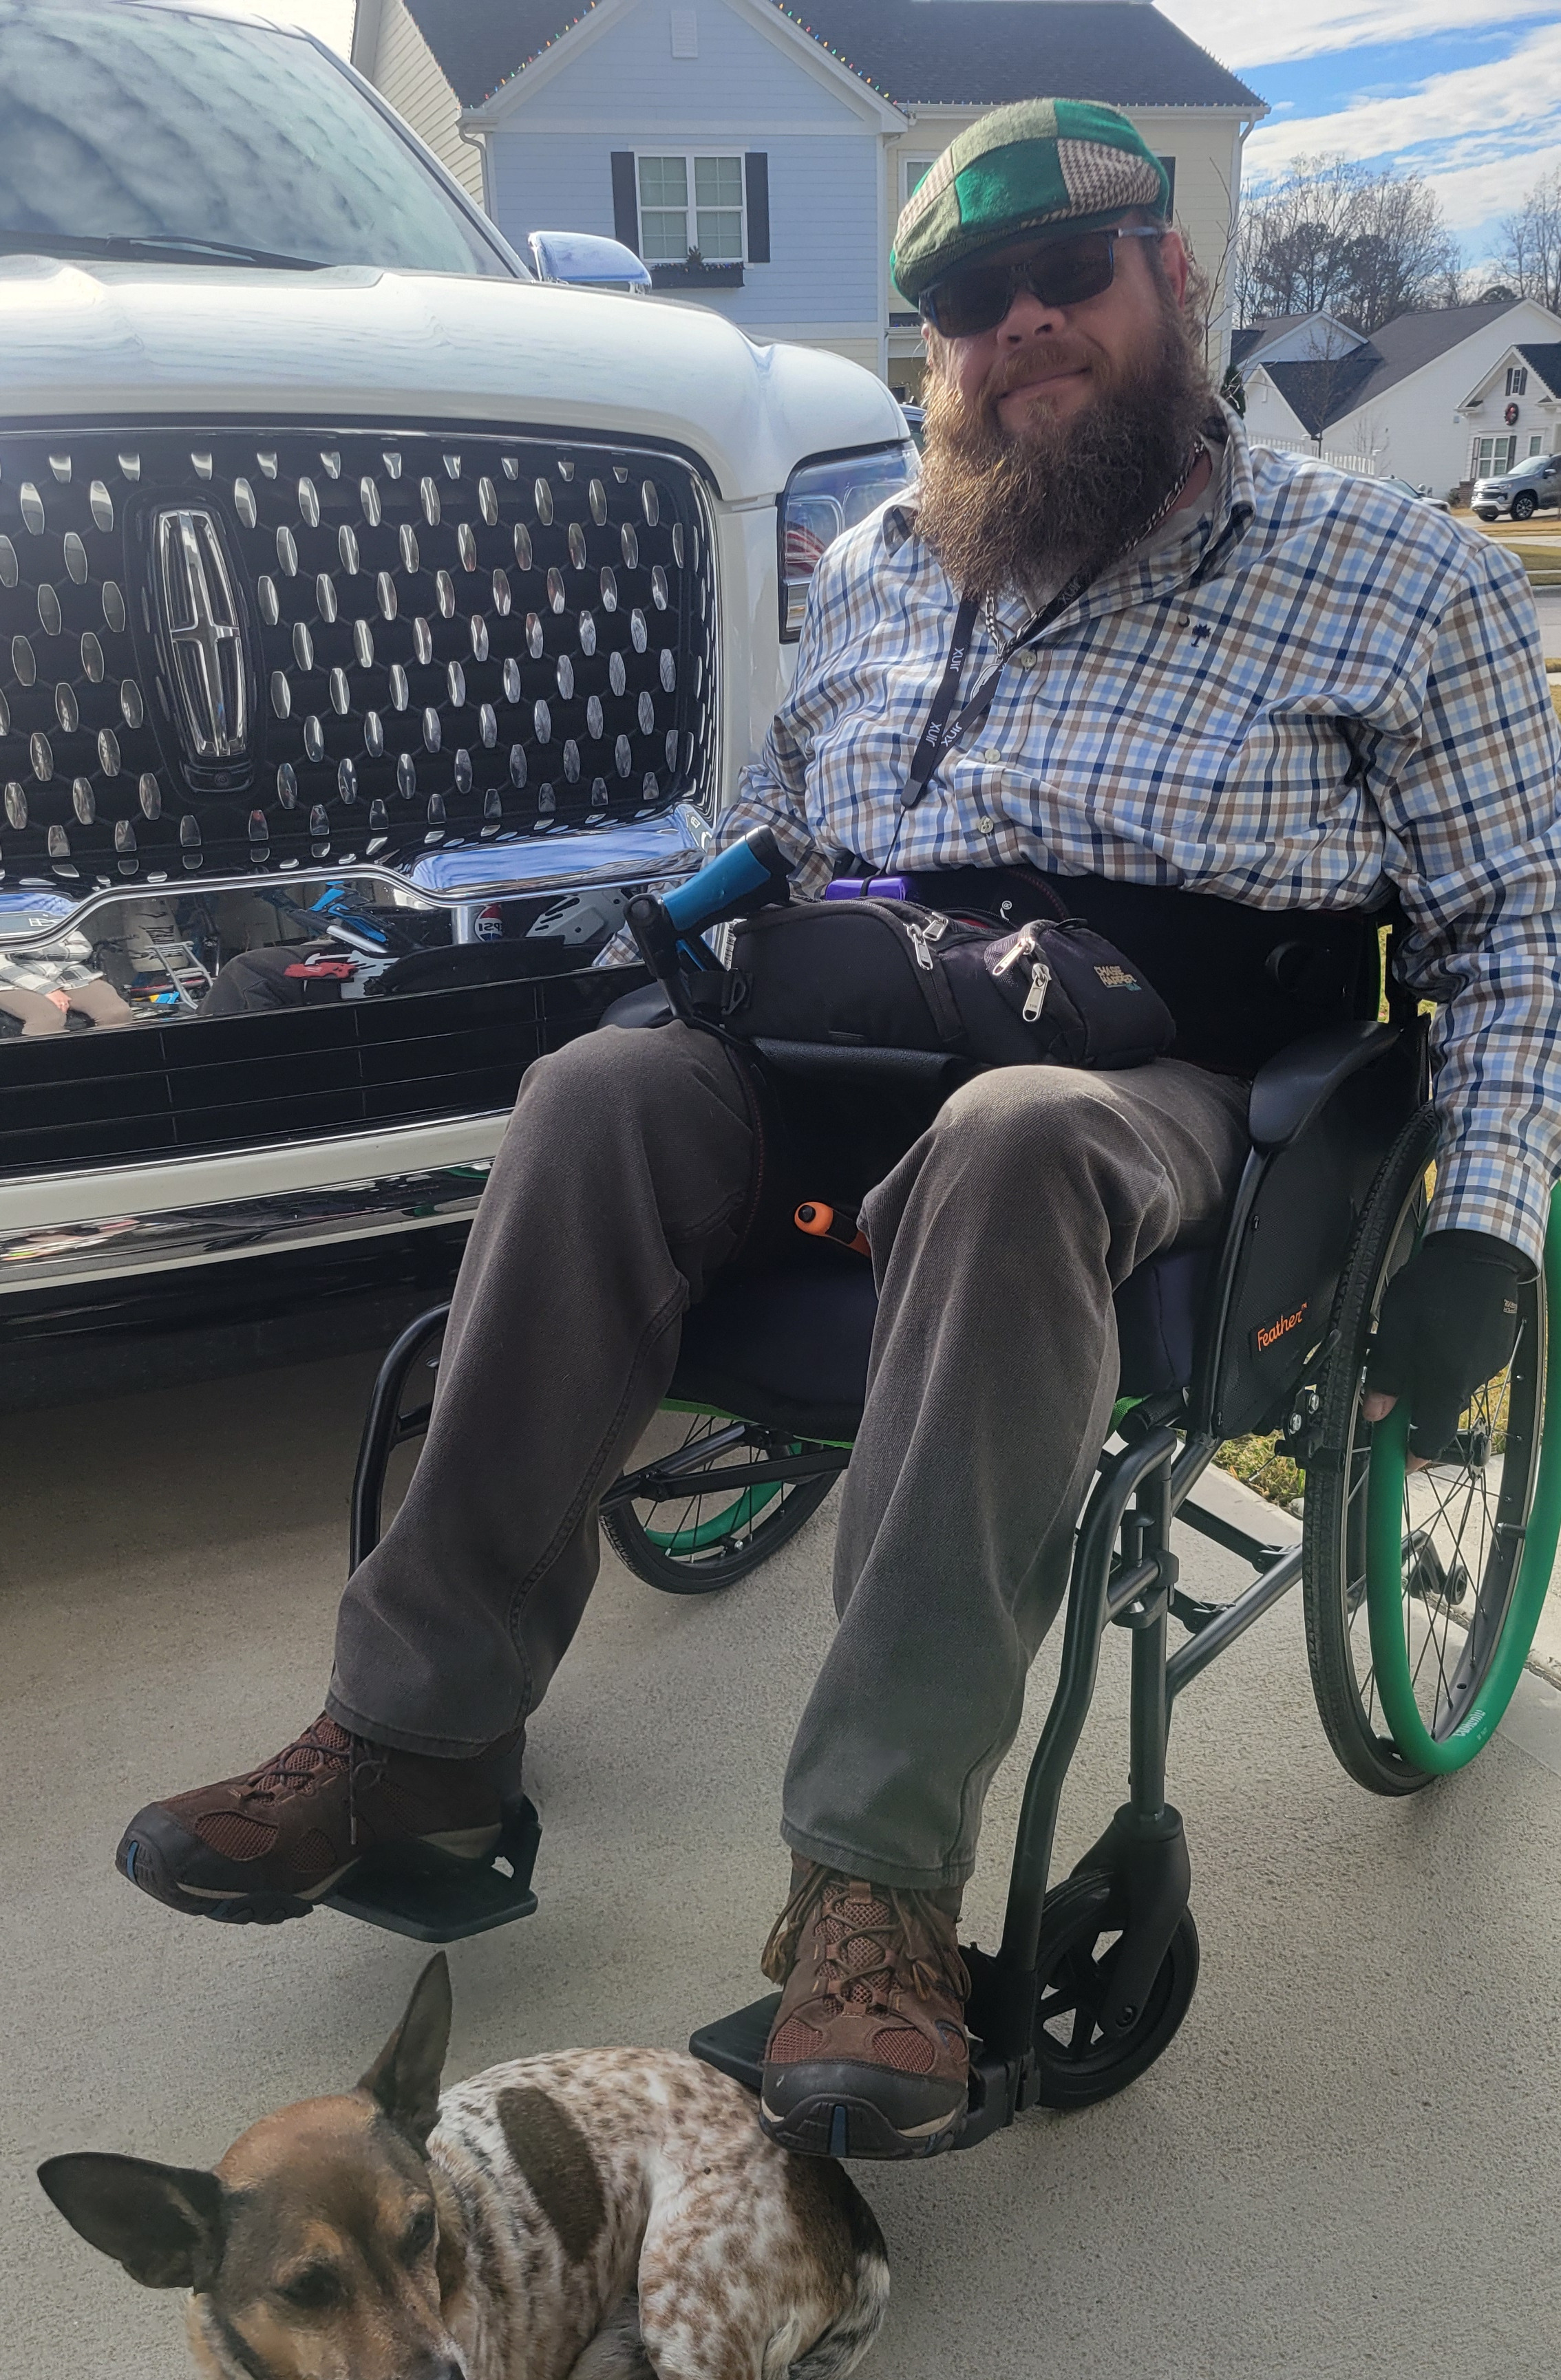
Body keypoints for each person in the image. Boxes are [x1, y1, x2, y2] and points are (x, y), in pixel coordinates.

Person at [116, 99, 1561, 2161]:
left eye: (1065, 275)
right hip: (855, 1024)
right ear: (934, 349)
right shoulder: (887, 560)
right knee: (598, 1090)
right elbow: (800, 822)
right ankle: (418, 1735)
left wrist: (1485, 1229)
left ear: (1175, 279)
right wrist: (674, 911)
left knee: (1015, 1141)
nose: (1019, 326)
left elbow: (1519, 928)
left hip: (1161, 1079)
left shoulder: (1402, 580)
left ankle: (872, 1888)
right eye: (969, 304)